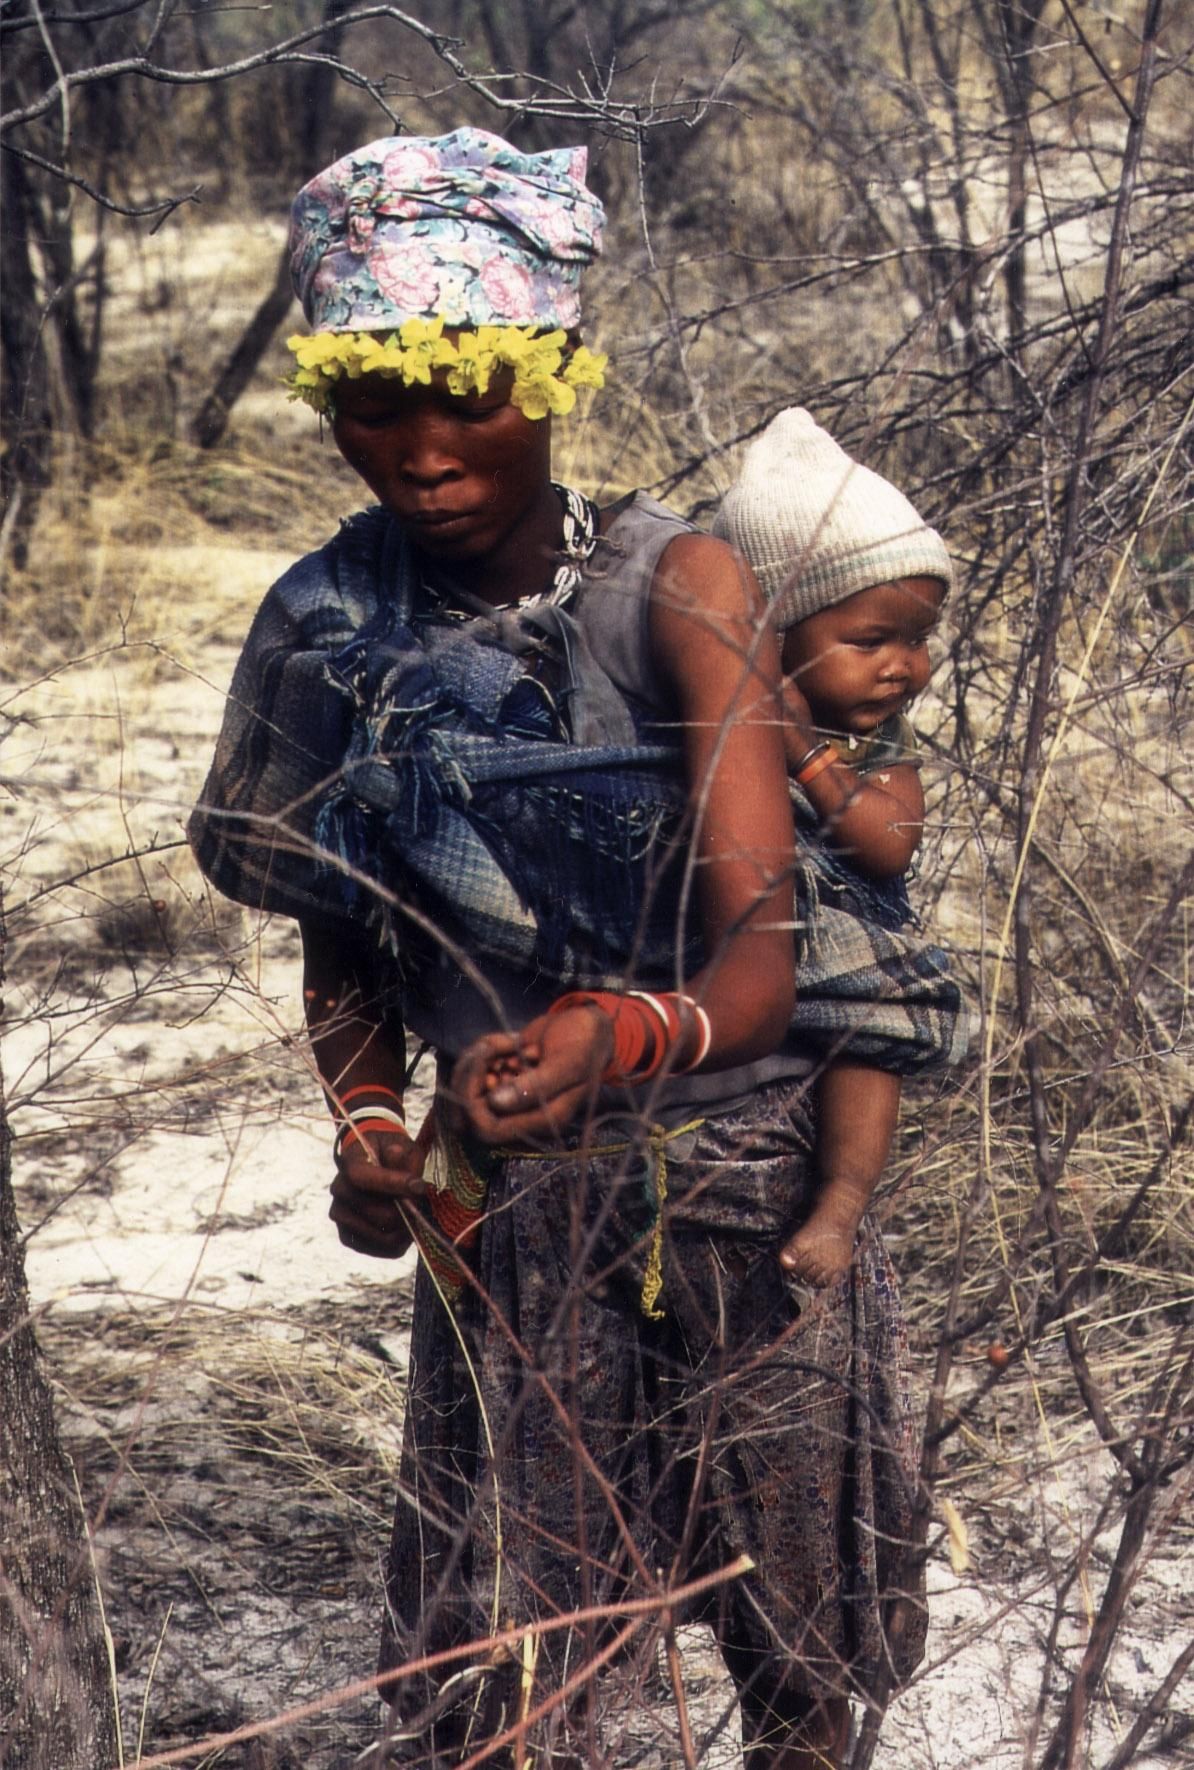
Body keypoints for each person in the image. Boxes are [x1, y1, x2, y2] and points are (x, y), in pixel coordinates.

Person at [190, 129, 927, 1768]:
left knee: (800, 1633)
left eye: (471, 388)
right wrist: (376, 1133)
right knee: (496, 1657)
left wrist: (618, 1033)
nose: (425, 444)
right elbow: (344, 946)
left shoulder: (673, 583)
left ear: (548, 375)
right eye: (374, 398)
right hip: (501, 1194)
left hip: (745, 1172)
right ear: (326, 397)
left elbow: (758, 953)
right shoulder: (322, 629)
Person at [713, 408, 955, 1292]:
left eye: (919, 640)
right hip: (749, 942)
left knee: (870, 1039)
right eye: (869, 641)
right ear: (774, 641)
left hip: (852, 939)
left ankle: (839, 1209)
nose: (904, 667)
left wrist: (808, 758)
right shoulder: (719, 716)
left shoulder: (872, 743)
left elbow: (888, 845)